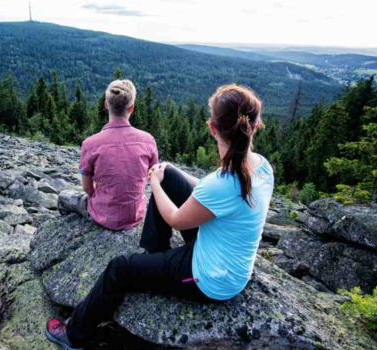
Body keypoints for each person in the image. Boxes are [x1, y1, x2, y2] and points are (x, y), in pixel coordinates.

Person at [45, 84, 274, 350]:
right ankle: (156, 251)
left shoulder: (221, 182)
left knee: (119, 268)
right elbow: (212, 194)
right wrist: (171, 173)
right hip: (222, 256)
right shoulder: (261, 165)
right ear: (255, 125)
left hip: (209, 278)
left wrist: (154, 182)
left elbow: (176, 220)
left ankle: (74, 335)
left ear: (212, 128)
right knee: (172, 176)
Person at [58, 79, 158, 231]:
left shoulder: (90, 143)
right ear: (131, 108)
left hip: (103, 216)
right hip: (135, 215)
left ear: (106, 104)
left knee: (63, 197)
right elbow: (153, 177)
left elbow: (87, 188)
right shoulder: (148, 140)